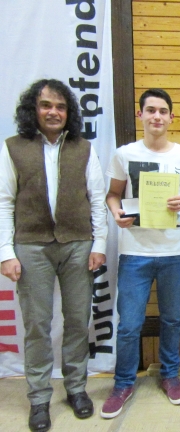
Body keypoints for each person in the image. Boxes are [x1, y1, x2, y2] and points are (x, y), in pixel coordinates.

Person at [0, 79, 107, 431]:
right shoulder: (13, 148)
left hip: (78, 245)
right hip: (31, 247)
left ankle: (76, 388)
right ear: (33, 109)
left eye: (60, 106)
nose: (53, 112)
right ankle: (39, 398)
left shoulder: (84, 148)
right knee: (37, 325)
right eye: (46, 105)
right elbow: (3, 202)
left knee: (77, 320)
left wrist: (99, 244)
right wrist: (5, 252)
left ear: (68, 112)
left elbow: (97, 199)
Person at [101, 89, 180, 418]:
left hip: (175, 251)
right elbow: (113, 195)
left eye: (163, 111)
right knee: (129, 325)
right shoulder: (124, 154)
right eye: (151, 110)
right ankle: (123, 383)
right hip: (135, 252)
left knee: (172, 319)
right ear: (140, 115)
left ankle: (170, 376)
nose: (157, 116)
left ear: (171, 117)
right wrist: (116, 213)